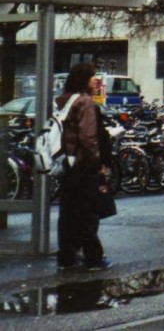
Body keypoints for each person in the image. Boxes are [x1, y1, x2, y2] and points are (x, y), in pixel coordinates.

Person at [55, 62, 111, 271]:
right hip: (83, 164)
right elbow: (88, 137)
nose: (95, 80)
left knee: (68, 211)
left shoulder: (63, 100)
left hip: (66, 164)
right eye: (92, 77)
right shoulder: (85, 102)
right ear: (83, 80)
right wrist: (97, 162)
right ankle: (93, 258)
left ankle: (67, 256)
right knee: (88, 212)